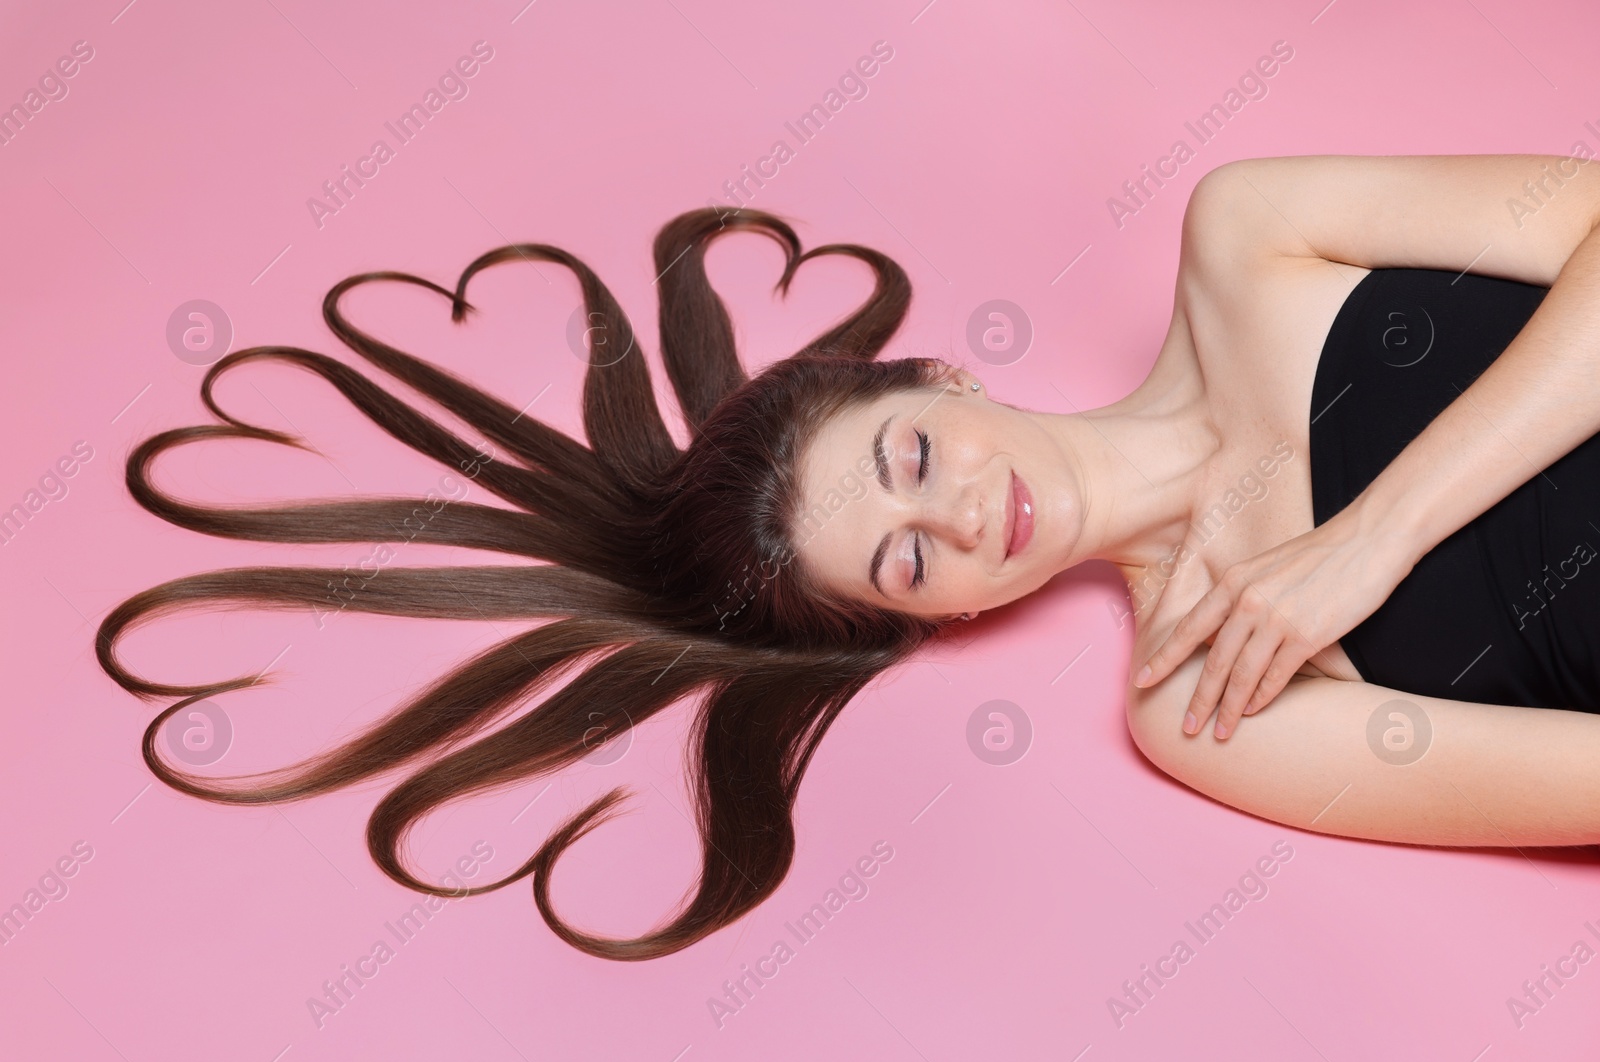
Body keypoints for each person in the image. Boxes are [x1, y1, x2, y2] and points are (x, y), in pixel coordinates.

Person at [96, 154, 1600, 962]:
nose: (954, 518)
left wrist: (1370, 540)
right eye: (902, 563)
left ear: (941, 384)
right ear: (926, 622)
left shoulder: (1251, 236)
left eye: (910, 461)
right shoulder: (1202, 702)